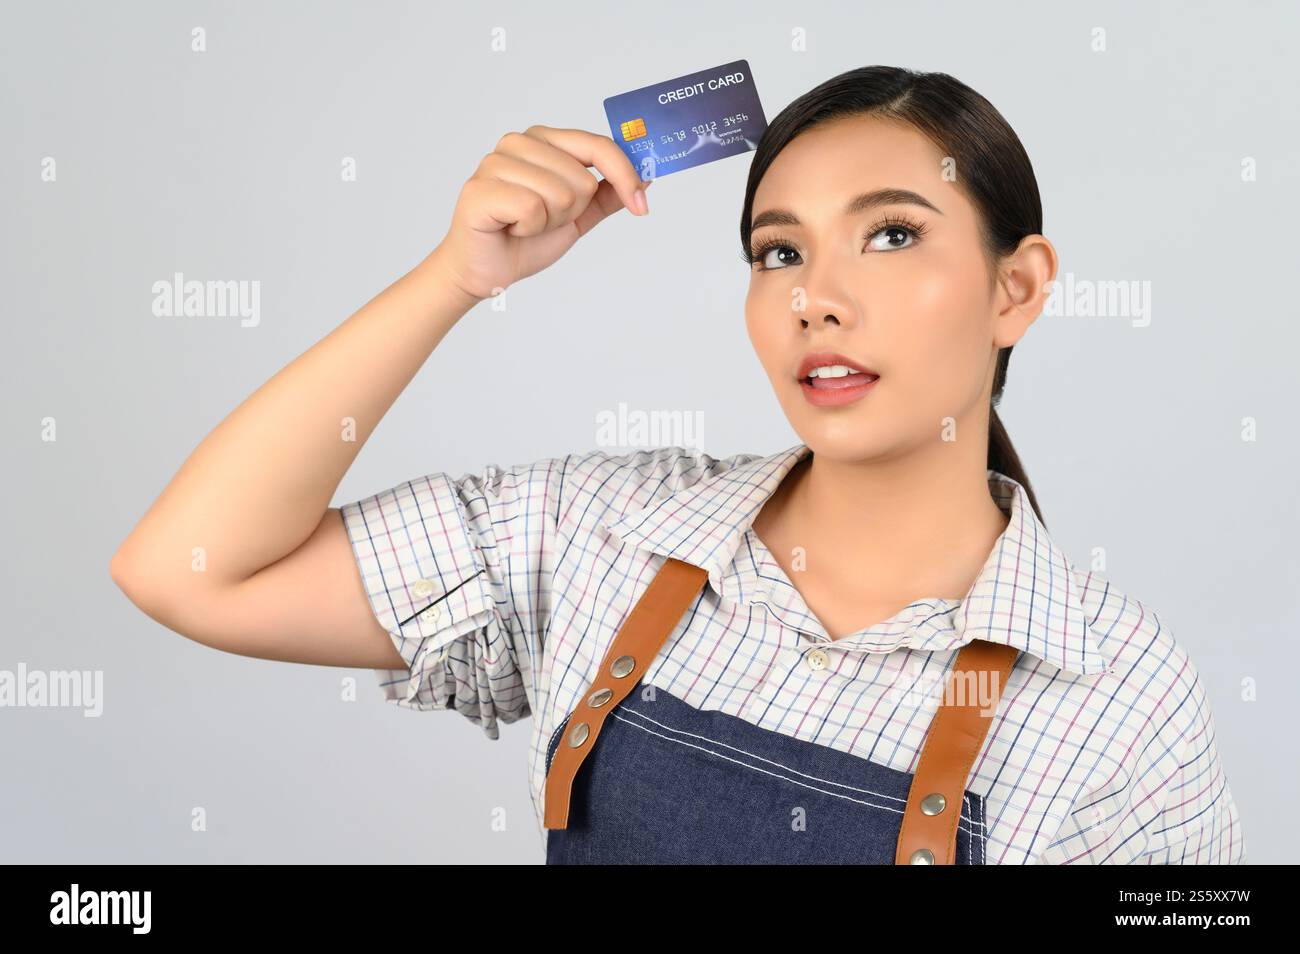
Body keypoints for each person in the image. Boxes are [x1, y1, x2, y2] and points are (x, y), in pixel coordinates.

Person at [110, 65, 1245, 864]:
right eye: (778, 251)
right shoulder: (602, 532)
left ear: (1017, 288)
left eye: (892, 234)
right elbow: (191, 570)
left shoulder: (1120, 699)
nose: (817, 297)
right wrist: (456, 277)